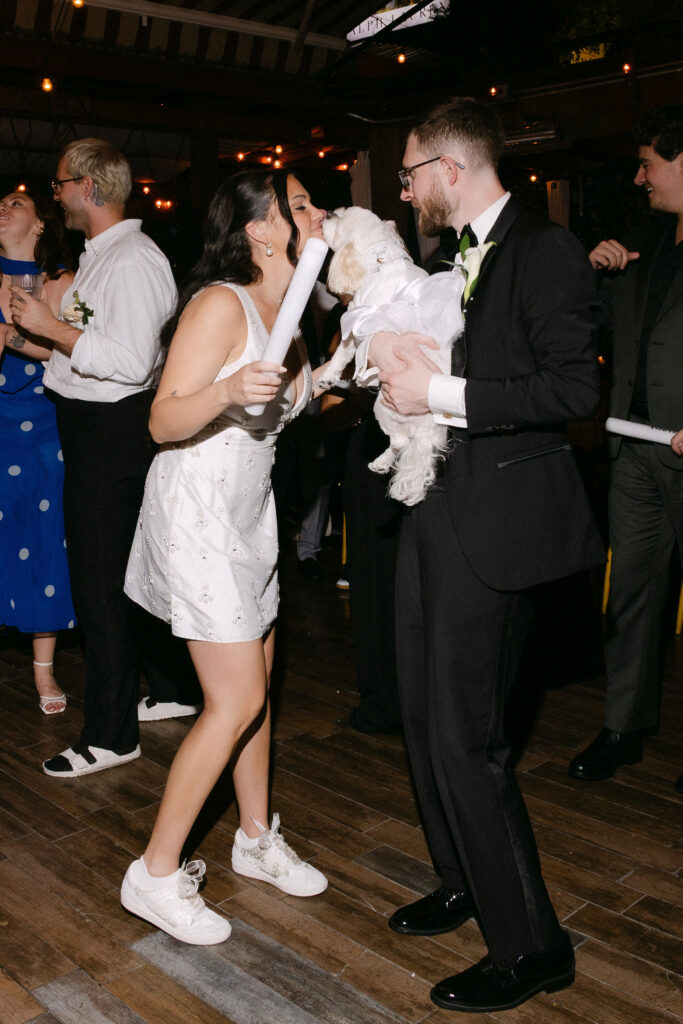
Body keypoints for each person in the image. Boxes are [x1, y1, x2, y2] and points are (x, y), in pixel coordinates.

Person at [361, 97, 604, 1013]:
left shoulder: (542, 252)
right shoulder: (441, 262)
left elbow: (572, 386)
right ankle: (461, 876)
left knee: (470, 742)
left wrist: (442, 391)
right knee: (425, 724)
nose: (407, 188)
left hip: (498, 528)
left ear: (450, 171)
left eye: (412, 172)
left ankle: (531, 946)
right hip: (434, 513)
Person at [120, 170, 328, 945]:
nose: (318, 213)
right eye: (301, 205)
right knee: (234, 700)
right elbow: (162, 419)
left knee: (258, 689)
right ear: (262, 232)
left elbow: (299, 404)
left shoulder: (290, 311)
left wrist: (354, 374)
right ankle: (156, 872)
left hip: (252, 513)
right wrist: (228, 388)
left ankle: (252, 837)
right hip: (199, 511)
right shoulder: (219, 303)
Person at [9, 138, 178, 777]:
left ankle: (112, 735)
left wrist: (51, 330)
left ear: (89, 187)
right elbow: (87, 357)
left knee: (102, 584)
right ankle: (176, 685)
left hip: (112, 434)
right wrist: (34, 339)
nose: (54, 195)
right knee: (125, 573)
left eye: (58, 185)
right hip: (90, 425)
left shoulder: (131, 260)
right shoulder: (103, 257)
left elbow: (132, 365)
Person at [569, 103, 683, 786]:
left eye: (647, 163)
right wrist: (587, 269)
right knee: (631, 598)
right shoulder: (642, 247)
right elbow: (580, 326)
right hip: (632, 453)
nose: (638, 178)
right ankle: (623, 726)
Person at [0, 189, 76, 713]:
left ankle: (43, 673)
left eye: (17, 204)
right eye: (0, 203)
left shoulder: (62, 283)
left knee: (43, 537)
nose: (4, 209)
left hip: (43, 425)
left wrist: (15, 338)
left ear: (41, 225)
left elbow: (73, 350)